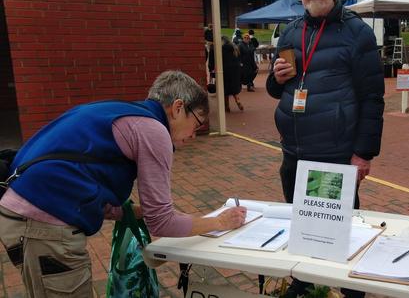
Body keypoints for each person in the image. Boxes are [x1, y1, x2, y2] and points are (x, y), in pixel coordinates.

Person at [0, 70, 247, 297]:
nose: (194, 134)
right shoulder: (154, 131)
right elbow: (161, 222)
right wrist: (219, 222)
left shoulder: (121, 112)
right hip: (43, 224)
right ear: (178, 108)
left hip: (24, 212)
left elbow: (94, 191)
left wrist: (139, 212)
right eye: (197, 123)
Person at [266, 0, 384, 298]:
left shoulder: (357, 34)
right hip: (294, 153)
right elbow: (276, 89)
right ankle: (302, 280)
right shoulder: (290, 32)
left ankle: (352, 291)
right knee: (300, 224)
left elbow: (372, 99)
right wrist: (276, 78)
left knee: (340, 229)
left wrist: (363, 154)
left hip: (334, 153)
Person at [221, 36, 244, 112]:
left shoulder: (222, 48)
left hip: (226, 69)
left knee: (225, 89)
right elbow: (239, 57)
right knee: (234, 88)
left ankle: (227, 106)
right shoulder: (235, 47)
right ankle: (238, 101)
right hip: (236, 69)